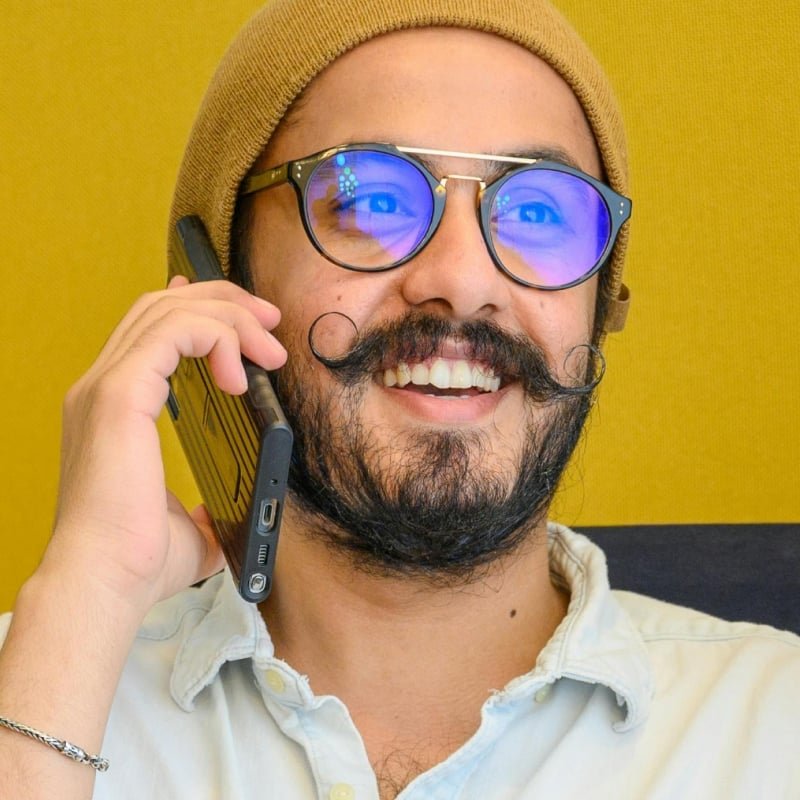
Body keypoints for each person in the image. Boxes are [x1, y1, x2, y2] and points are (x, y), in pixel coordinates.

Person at [0, 0, 797, 798]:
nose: (464, 281)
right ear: (222, 276)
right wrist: (84, 599)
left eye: (537, 211)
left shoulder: (776, 729)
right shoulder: (35, 679)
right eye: (371, 201)